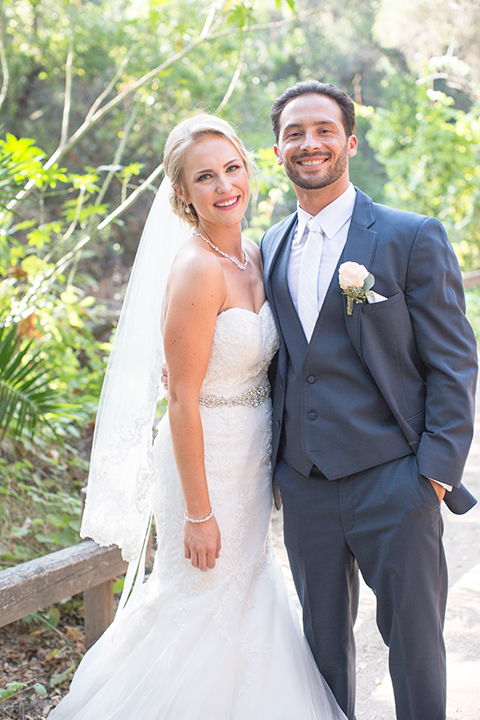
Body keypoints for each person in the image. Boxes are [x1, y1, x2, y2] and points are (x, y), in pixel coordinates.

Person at [48, 114, 347, 720]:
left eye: (232, 169)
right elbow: (181, 398)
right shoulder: (195, 269)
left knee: (246, 597)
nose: (224, 186)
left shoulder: (257, 253)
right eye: (204, 177)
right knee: (199, 596)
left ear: (250, 170)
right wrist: (198, 512)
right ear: (182, 193)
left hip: (252, 454)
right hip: (202, 458)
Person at [260, 81, 478, 720]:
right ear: (277, 151)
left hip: (396, 480)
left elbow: (454, 361)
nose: (310, 143)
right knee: (319, 652)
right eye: (295, 133)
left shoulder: (410, 237)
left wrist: (434, 473)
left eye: (324, 129)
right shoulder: (268, 247)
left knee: (414, 647)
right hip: (306, 486)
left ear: (349, 141)